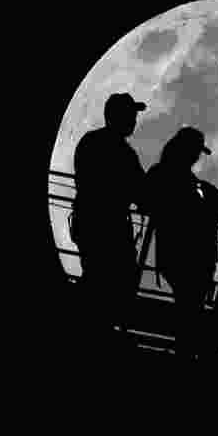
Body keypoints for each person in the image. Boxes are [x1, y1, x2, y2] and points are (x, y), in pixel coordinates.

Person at [71, 92, 148, 352]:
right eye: (131, 116)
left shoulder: (89, 142)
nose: (134, 121)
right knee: (114, 278)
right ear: (120, 117)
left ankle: (93, 328)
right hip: (110, 227)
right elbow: (142, 194)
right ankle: (97, 331)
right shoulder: (124, 153)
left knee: (97, 275)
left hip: (88, 222)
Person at [143, 127, 218, 363]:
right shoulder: (178, 179)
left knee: (189, 305)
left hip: (182, 253)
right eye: (195, 151)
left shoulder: (170, 176)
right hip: (187, 254)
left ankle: (189, 351)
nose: (196, 156)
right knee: (190, 305)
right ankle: (190, 353)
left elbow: (147, 202)